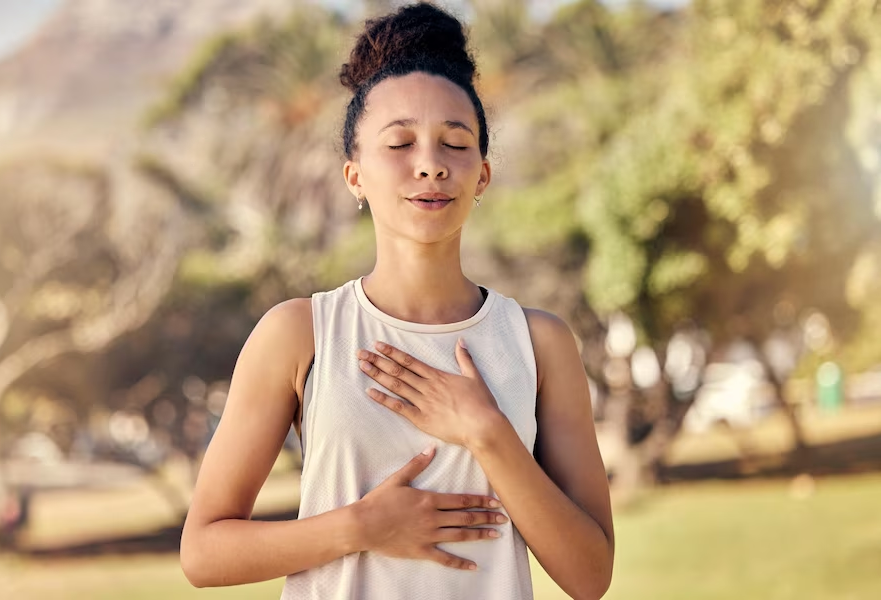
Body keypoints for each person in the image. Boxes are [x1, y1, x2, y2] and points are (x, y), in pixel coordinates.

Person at [179, 3, 614, 599]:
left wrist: (487, 431)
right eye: (401, 143)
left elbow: (590, 577)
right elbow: (204, 552)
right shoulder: (301, 333)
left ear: (482, 175)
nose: (431, 165)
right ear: (354, 175)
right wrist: (359, 527)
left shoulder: (539, 342)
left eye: (455, 144)